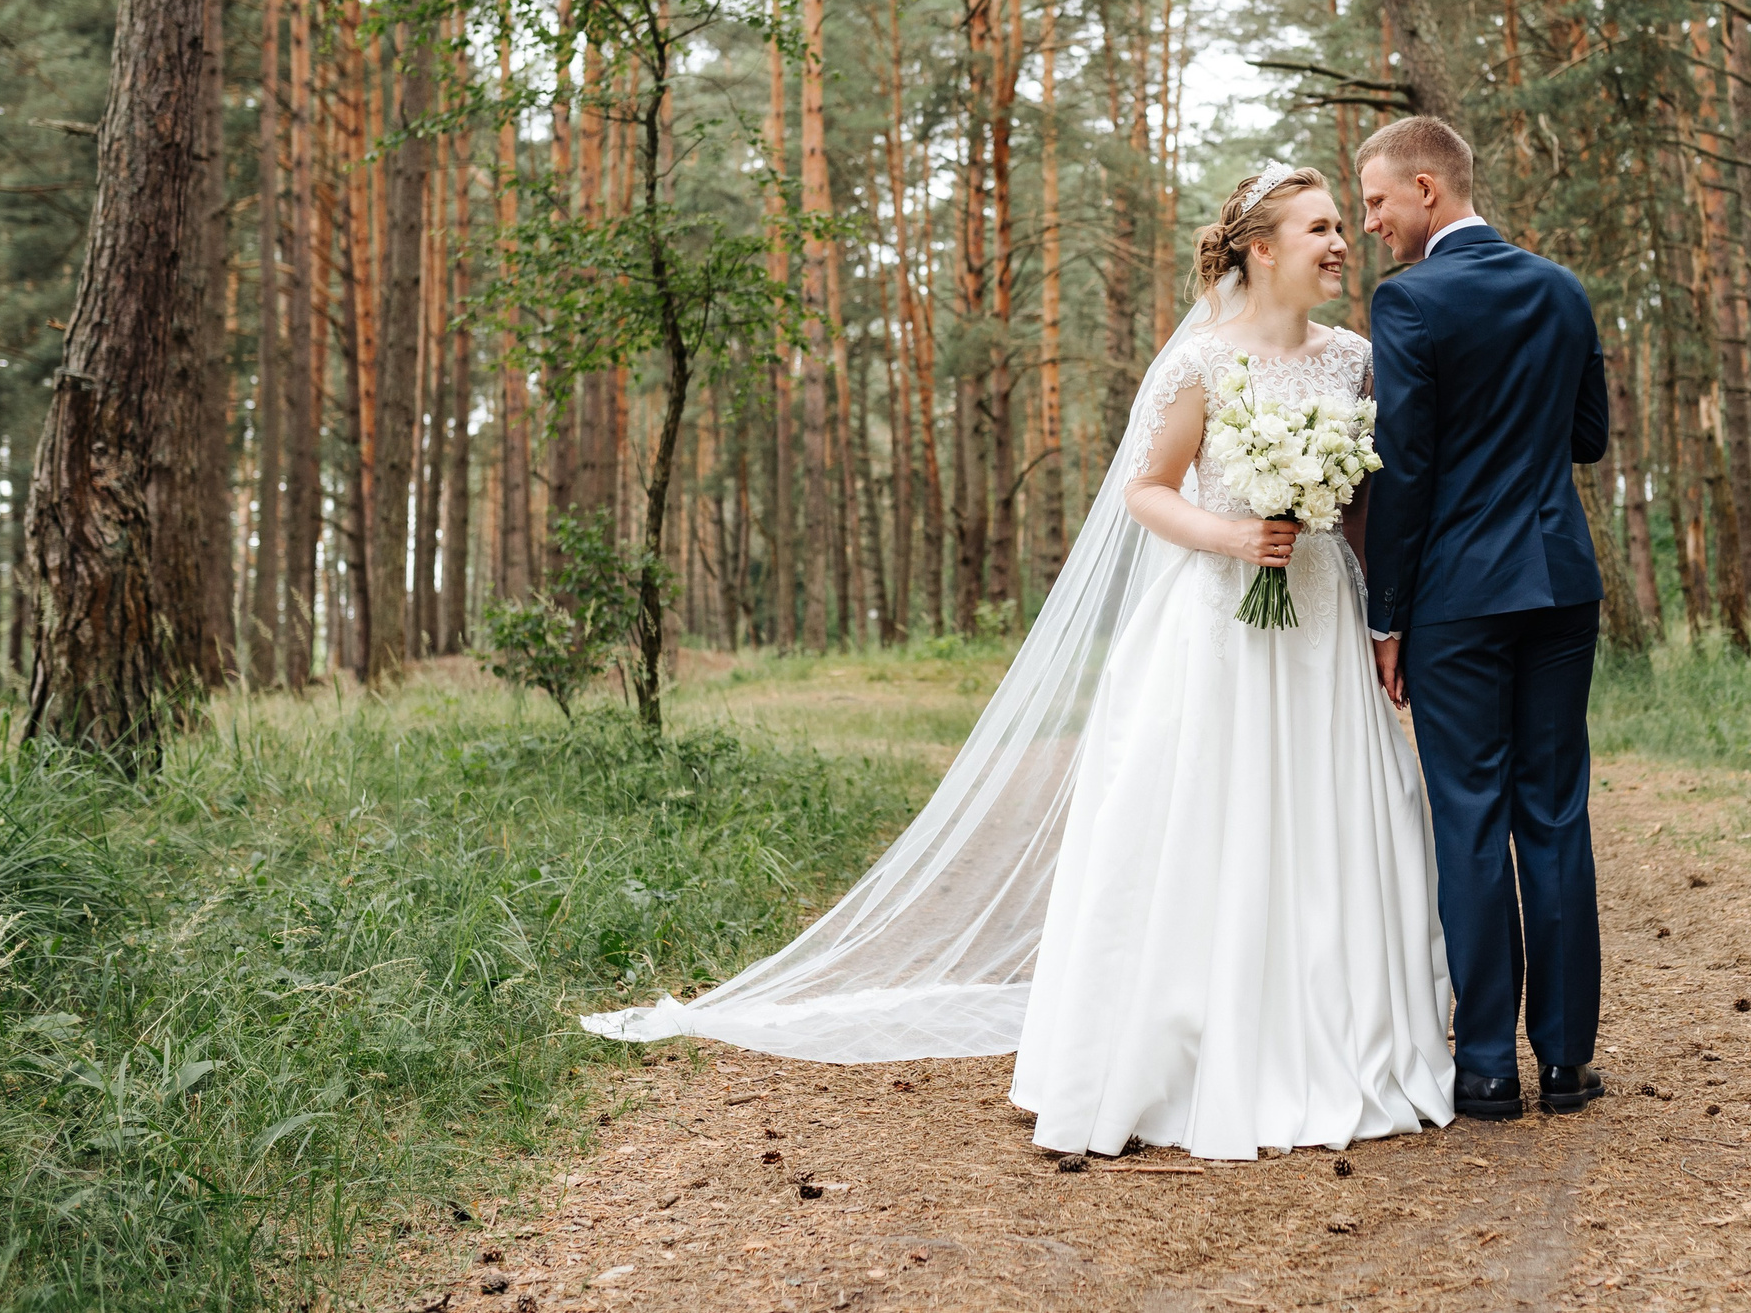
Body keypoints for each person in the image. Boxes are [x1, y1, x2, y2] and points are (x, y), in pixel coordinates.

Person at [582, 163, 1455, 1164]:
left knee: (1327, 818)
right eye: (1320, 227)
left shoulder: (1351, 360)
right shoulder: (1200, 364)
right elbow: (1147, 490)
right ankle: (1186, 1048)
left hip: (1316, 623)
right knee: (1207, 820)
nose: (1342, 241)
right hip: (1217, 619)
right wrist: (1226, 538)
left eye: (1344, 225)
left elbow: (1364, 496)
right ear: (1262, 249)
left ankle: (1335, 1042)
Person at [1356, 115, 1611, 1123]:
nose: (1371, 222)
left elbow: (1405, 471)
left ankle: (1485, 1069)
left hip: (1457, 597)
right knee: (1553, 813)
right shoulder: (1562, 289)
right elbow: (1586, 438)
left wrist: (1387, 617)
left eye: (1375, 201)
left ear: (1426, 190)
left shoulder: (1410, 301)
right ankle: (1565, 1060)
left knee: (1469, 818)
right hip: (1557, 582)